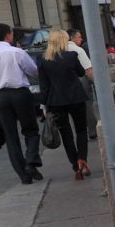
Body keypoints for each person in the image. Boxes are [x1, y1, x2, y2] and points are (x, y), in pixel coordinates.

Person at [0, 23, 42, 183]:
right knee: (31, 130)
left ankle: (24, 175)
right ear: (8, 35)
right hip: (20, 93)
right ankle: (31, 160)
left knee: (10, 136)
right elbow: (33, 71)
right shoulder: (17, 52)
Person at [37, 30, 91, 180]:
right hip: (76, 98)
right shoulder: (71, 56)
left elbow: (44, 86)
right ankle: (82, 159)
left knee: (66, 134)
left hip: (56, 102)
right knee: (81, 130)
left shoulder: (43, 60)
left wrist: (44, 106)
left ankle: (75, 166)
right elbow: (81, 73)